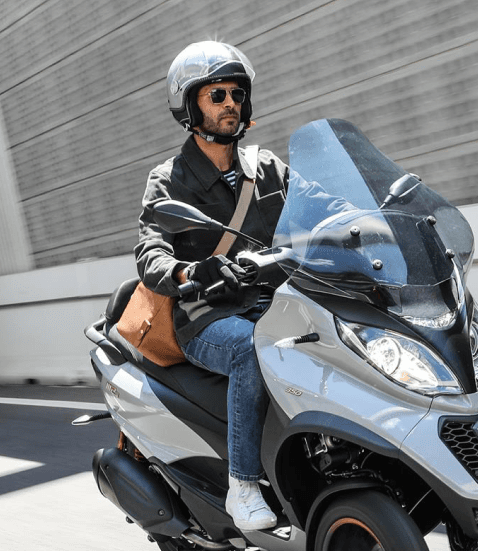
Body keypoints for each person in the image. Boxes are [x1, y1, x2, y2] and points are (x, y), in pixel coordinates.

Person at [133, 41, 287, 531]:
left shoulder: (267, 169)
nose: (230, 104)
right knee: (251, 350)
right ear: (190, 105)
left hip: (277, 302)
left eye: (237, 94)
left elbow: (321, 208)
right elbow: (150, 252)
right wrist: (190, 272)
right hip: (207, 316)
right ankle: (243, 487)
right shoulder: (169, 179)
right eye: (216, 94)